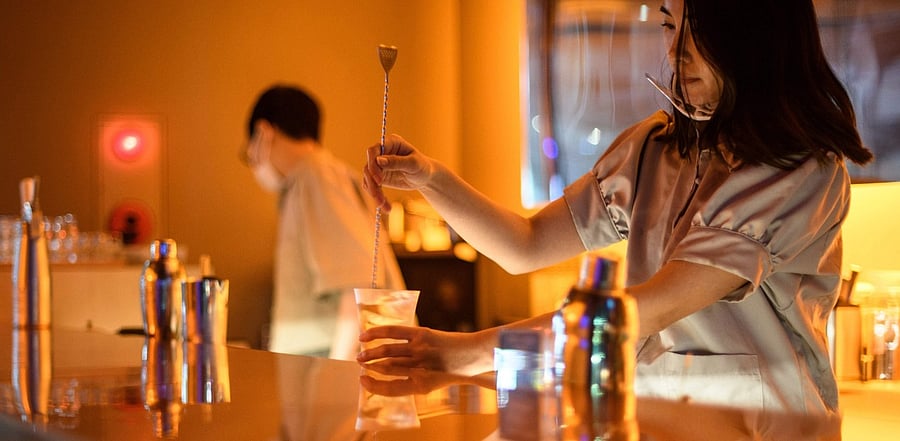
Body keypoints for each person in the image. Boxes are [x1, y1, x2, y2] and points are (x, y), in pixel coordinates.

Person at [358, 0, 873, 415]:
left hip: (767, 425)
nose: (676, 53)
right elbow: (525, 244)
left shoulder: (800, 171)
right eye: (670, 27)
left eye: (697, 32)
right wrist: (430, 179)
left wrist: (463, 352)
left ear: (755, 38)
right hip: (662, 418)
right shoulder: (654, 148)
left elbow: (649, 307)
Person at [242, 85, 405, 360]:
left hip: (323, 370)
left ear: (263, 132)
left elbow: (357, 285)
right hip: (313, 369)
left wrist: (336, 373)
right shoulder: (309, 180)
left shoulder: (315, 176)